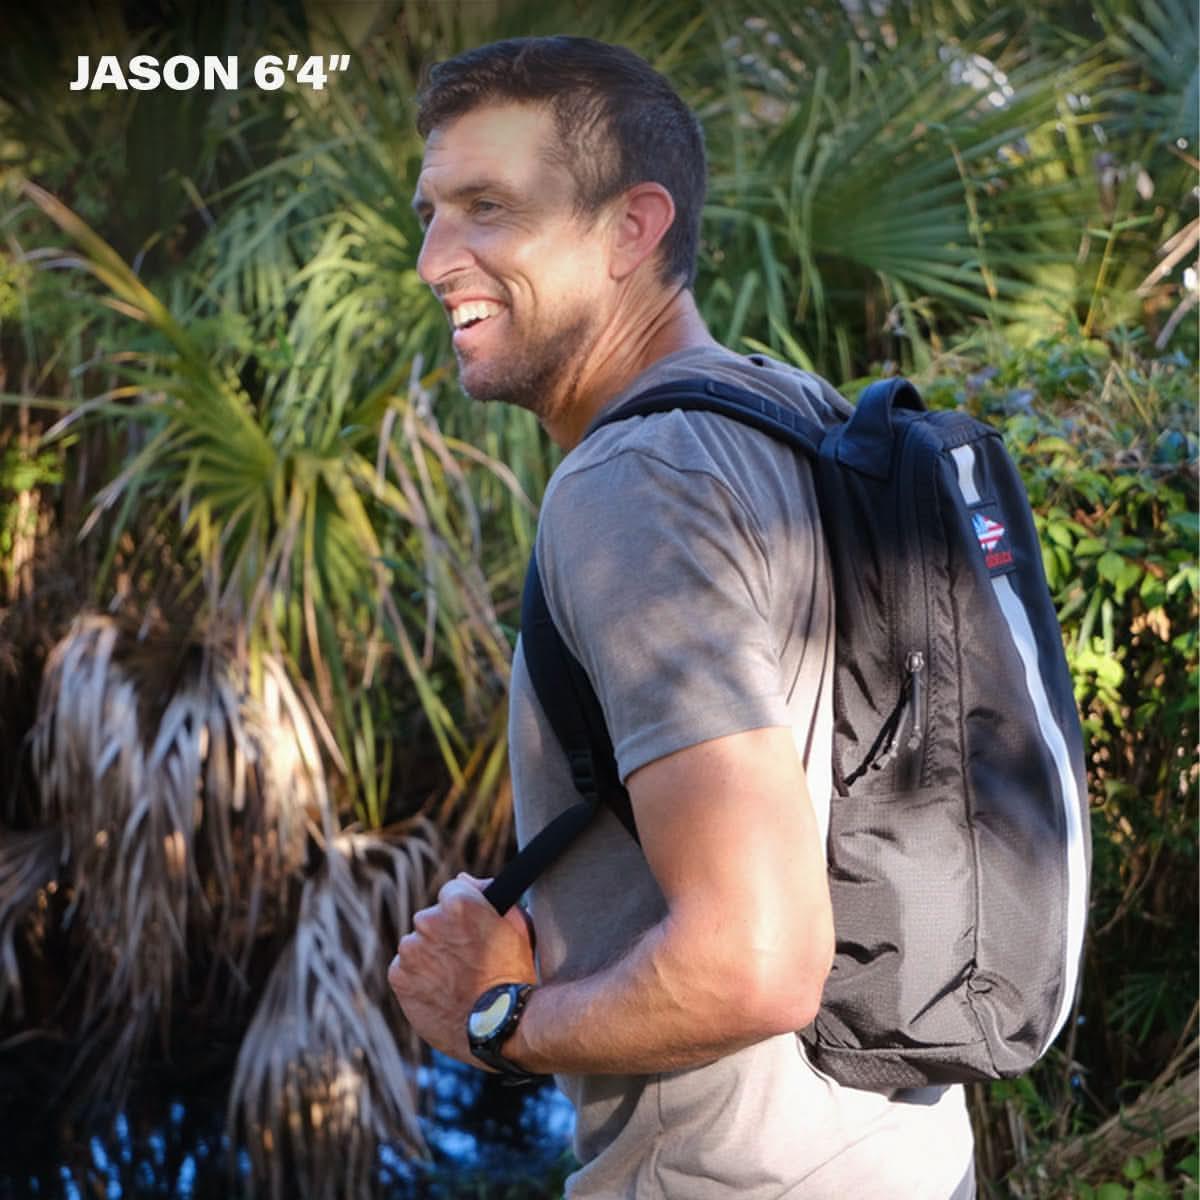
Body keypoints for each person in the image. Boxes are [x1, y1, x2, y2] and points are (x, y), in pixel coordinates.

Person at [388, 35, 976, 1199]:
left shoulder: (633, 484)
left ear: (631, 229)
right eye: (431, 214)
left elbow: (754, 963)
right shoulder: (795, 413)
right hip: (907, 1151)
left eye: (487, 208)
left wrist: (497, 1018)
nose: (433, 260)